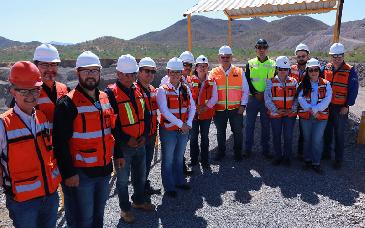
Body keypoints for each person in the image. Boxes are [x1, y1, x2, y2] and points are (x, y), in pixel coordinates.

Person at [53, 51, 117, 228]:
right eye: (86, 71)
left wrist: (117, 155)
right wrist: (69, 173)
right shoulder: (67, 103)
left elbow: (111, 129)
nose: (91, 75)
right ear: (77, 73)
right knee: (83, 219)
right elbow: (60, 143)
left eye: (94, 71)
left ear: (99, 73)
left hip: (104, 171)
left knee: (99, 214)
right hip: (82, 174)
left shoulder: (104, 97)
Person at [0, 61, 61, 228]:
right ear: (12, 90)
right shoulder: (3, 125)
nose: (31, 95)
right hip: (23, 203)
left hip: (50, 195)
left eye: (35, 90)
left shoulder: (42, 117)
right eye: (24, 90)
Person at [105, 54, 155, 224]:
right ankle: (125, 209)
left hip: (140, 142)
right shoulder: (110, 94)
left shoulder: (138, 90)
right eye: (126, 74)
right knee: (123, 180)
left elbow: (146, 115)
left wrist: (144, 135)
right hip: (123, 146)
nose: (130, 78)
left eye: (133, 74)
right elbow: (111, 124)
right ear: (118, 73)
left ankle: (139, 201)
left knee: (140, 176)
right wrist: (126, 139)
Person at [157, 57, 196, 198]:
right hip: (169, 130)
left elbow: (192, 107)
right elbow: (164, 111)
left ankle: (179, 181)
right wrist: (182, 124)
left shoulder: (185, 88)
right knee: (167, 159)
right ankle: (169, 186)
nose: (175, 75)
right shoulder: (163, 90)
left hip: (184, 129)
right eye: (172, 72)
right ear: (168, 72)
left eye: (177, 72)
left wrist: (189, 124)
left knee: (179, 157)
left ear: (181, 73)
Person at [323, 43, 359, 169]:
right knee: (326, 131)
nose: (337, 58)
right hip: (327, 106)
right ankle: (326, 153)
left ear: (343, 56)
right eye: (334, 56)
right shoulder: (326, 68)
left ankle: (338, 159)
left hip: (341, 108)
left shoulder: (350, 70)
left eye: (339, 56)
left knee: (339, 134)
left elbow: (353, 90)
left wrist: (347, 105)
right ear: (331, 56)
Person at [209, 45, 249, 161]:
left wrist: (243, 105)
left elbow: (245, 90)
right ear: (219, 58)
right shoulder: (213, 72)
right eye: (223, 57)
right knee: (220, 133)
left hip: (236, 109)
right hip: (219, 109)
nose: (225, 59)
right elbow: (209, 91)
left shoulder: (239, 71)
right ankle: (221, 153)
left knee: (237, 132)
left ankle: (237, 153)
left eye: (228, 57)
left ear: (231, 58)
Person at [297, 58, 332, 174]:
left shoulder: (326, 84)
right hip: (306, 116)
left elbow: (327, 99)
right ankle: (307, 160)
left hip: (321, 117)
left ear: (319, 70)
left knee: (317, 139)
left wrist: (316, 109)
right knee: (307, 139)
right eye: (311, 70)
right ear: (307, 71)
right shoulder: (303, 83)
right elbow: (300, 98)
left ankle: (316, 162)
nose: (313, 72)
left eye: (315, 69)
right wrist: (310, 109)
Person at [264, 56, 298, 166]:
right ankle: (278, 156)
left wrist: (292, 110)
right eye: (281, 69)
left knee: (288, 136)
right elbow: (267, 98)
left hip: (289, 114)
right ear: (277, 69)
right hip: (275, 114)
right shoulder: (270, 82)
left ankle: (287, 157)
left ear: (288, 69)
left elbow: (297, 98)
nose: (283, 71)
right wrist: (276, 110)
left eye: (285, 69)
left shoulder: (294, 82)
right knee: (276, 135)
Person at [245, 39, 276, 158]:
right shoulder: (250, 63)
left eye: (264, 47)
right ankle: (247, 149)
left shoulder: (273, 64)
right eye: (259, 47)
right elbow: (247, 80)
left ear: (267, 49)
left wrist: (264, 95)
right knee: (249, 125)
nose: (261, 50)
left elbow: (273, 81)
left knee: (265, 125)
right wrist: (256, 93)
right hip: (253, 98)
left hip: (266, 99)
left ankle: (266, 149)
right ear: (256, 49)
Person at [135, 57, 161, 195]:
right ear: (139, 72)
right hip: (140, 137)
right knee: (139, 166)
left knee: (147, 163)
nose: (150, 74)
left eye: (153, 71)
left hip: (151, 133)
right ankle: (138, 195)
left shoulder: (152, 89)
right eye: (147, 71)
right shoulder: (134, 90)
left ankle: (144, 186)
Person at [188, 55, 218, 168]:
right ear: (196, 68)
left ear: (208, 68)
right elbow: (188, 96)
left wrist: (205, 107)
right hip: (194, 115)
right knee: (193, 138)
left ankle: (205, 161)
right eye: (200, 66)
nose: (202, 68)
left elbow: (215, 97)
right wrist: (196, 108)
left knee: (205, 137)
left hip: (206, 114)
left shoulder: (212, 81)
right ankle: (194, 160)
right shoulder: (190, 80)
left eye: (205, 66)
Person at [33, 43, 69, 125]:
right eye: (44, 65)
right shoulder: (26, 92)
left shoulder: (65, 89)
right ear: (36, 66)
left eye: (53, 64)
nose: (50, 69)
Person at [291, 43, 311, 160]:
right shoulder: (291, 69)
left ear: (308, 56)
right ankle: (287, 151)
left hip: (305, 103)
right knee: (289, 127)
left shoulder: (312, 69)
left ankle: (301, 152)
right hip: (293, 102)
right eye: (299, 56)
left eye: (303, 56)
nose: (301, 58)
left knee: (304, 129)